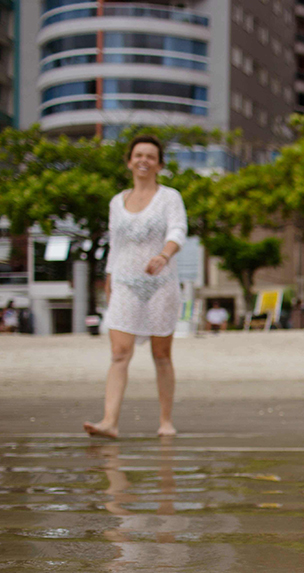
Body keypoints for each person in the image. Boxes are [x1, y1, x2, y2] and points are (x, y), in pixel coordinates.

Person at [84, 135, 187, 439]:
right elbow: (115, 244)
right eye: (138, 155)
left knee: (161, 354)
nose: (144, 160)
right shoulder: (117, 201)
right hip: (125, 283)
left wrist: (164, 255)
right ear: (129, 161)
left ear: (159, 164)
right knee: (119, 352)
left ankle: (165, 421)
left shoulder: (170, 197)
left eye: (151, 156)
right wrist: (109, 278)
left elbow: (178, 230)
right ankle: (109, 422)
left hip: (161, 283)